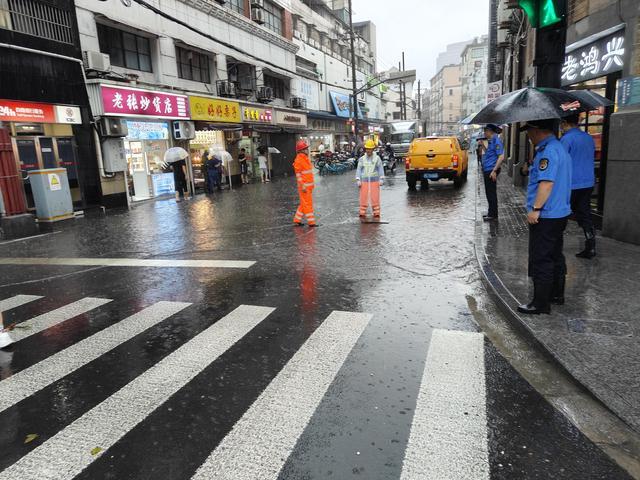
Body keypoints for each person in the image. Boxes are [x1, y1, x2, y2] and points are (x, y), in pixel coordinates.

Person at [517, 119, 572, 315]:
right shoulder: (558, 147)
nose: (528, 136)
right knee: (555, 254)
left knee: (542, 258)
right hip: (560, 212)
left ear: (539, 130)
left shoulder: (547, 152)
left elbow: (546, 184)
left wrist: (536, 208)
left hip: (547, 214)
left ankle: (540, 303)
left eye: (529, 131)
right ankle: (557, 295)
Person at [560, 114, 597, 259]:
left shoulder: (566, 139)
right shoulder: (588, 137)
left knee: (562, 212)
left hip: (571, 183)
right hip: (588, 182)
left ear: (565, 123)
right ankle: (591, 245)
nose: (561, 127)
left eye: (562, 124)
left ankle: (556, 243)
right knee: (585, 213)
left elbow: (561, 161)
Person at [356, 139, 385, 218]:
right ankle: (362, 211)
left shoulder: (377, 158)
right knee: (363, 196)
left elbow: (380, 169)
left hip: (374, 181)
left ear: (373, 149)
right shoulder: (362, 159)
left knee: (375, 197)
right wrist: (358, 179)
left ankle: (376, 212)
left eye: (370, 149)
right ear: (365, 149)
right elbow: (359, 169)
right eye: (367, 148)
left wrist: (381, 178)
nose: (368, 150)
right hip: (364, 182)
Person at [481, 124, 504, 221]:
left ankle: (493, 215)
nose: (484, 133)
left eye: (485, 131)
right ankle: (491, 212)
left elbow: (501, 156)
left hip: (491, 170)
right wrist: (483, 146)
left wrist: (494, 171)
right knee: (489, 192)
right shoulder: (491, 141)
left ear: (490, 131)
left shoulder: (496, 140)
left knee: (491, 193)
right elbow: (490, 155)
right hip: (488, 169)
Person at [292, 140, 317, 227]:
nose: (307, 150)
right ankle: (311, 222)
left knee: (304, 204)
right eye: (305, 148)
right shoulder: (299, 160)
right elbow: (298, 176)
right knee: (307, 204)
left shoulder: (305, 158)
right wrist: (303, 186)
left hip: (308, 186)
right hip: (304, 187)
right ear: (301, 150)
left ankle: (297, 220)